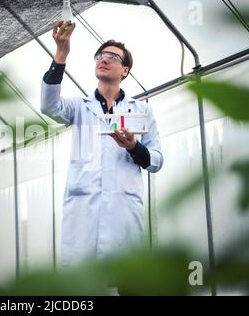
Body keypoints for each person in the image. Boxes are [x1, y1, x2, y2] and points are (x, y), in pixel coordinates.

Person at [40, 20, 164, 268]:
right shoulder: (79, 107)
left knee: (130, 283)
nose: (103, 59)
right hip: (83, 210)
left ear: (125, 71)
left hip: (123, 211)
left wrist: (133, 147)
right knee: (80, 287)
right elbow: (49, 106)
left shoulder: (142, 111)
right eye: (100, 55)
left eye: (112, 56)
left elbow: (157, 160)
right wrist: (61, 54)